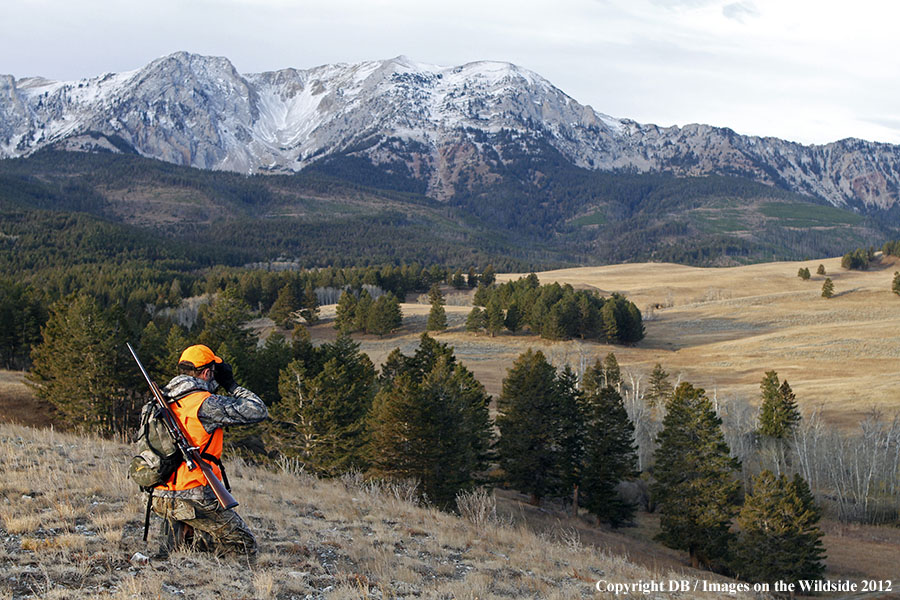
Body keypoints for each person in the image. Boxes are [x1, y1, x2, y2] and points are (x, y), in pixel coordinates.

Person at [150, 344, 268, 559]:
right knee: (244, 546)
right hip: (193, 494)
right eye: (214, 372)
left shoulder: (160, 400)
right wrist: (231, 385)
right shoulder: (205, 403)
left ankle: (179, 549)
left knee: (186, 550)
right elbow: (258, 410)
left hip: (158, 494)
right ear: (206, 373)